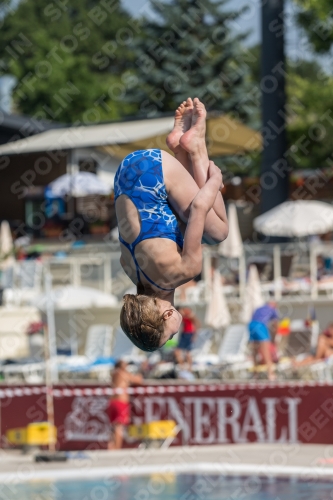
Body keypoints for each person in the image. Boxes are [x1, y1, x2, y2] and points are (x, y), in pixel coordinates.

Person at [115, 97, 228, 351]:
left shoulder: (183, 272)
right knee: (184, 221)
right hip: (126, 171)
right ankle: (179, 146)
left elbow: (200, 206)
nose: (175, 335)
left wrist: (215, 179)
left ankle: (195, 145)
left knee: (218, 231)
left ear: (166, 316)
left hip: (154, 170)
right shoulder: (131, 272)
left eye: (169, 336)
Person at [107, 360, 143, 450]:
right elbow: (138, 380)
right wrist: (140, 373)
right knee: (119, 426)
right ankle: (117, 447)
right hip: (121, 402)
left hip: (112, 402)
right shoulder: (123, 373)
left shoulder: (114, 374)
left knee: (114, 426)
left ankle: (112, 446)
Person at [248, 301, 279, 380]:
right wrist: (274, 338)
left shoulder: (259, 308)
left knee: (255, 351)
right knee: (266, 351)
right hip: (260, 326)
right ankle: (271, 374)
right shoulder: (272, 309)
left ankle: (255, 374)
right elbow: (275, 325)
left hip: (251, 325)